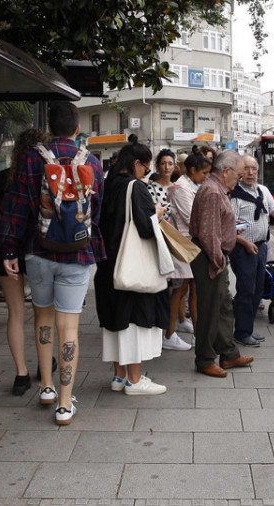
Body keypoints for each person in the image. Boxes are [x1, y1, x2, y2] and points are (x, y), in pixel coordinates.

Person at [0, 102, 105, 425]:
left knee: (42, 319)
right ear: (77, 128)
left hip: (38, 251)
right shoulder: (93, 163)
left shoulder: (31, 159)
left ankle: (45, 386)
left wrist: (8, 250)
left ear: (48, 126)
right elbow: (95, 213)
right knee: (68, 327)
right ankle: (63, 402)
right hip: (76, 254)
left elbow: (14, 208)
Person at [94, 136, 169, 396]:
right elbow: (146, 227)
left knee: (114, 320)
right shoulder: (135, 187)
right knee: (133, 320)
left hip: (107, 264)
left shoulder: (106, 185)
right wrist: (157, 212)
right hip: (131, 264)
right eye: (146, 168)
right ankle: (135, 380)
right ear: (137, 163)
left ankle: (119, 376)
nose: (147, 173)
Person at [0, 128, 49, 396]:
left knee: (15, 313)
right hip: (35, 249)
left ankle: (21, 373)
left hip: (6, 249)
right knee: (42, 313)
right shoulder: (43, 172)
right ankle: (44, 366)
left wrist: (6, 247)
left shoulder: (2, 179)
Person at [190, 150, 254, 378]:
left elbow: (215, 225)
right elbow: (208, 234)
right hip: (210, 258)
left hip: (215, 256)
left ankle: (228, 353)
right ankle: (205, 359)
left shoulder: (217, 190)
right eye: (237, 175)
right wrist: (218, 262)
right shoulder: (212, 191)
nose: (239, 179)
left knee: (224, 305)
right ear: (225, 171)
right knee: (209, 311)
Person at [229, 155, 274, 347]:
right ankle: (241, 332)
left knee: (258, 289)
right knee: (246, 289)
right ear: (239, 171)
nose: (250, 173)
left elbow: (272, 208)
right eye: (246, 169)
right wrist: (244, 242)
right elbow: (229, 226)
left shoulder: (262, 190)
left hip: (261, 246)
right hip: (243, 248)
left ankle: (247, 329)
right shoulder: (234, 194)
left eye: (254, 169)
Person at [163, 153, 211, 351]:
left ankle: (190, 333)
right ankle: (169, 333)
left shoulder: (189, 186)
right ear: (192, 170)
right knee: (181, 289)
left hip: (190, 245)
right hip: (184, 244)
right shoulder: (181, 189)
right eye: (204, 173)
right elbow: (192, 218)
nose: (206, 177)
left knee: (190, 288)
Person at [148, 149, 175, 223]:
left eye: (170, 164)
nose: (167, 167)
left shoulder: (177, 187)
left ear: (174, 167)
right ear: (157, 167)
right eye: (163, 163)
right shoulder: (151, 189)